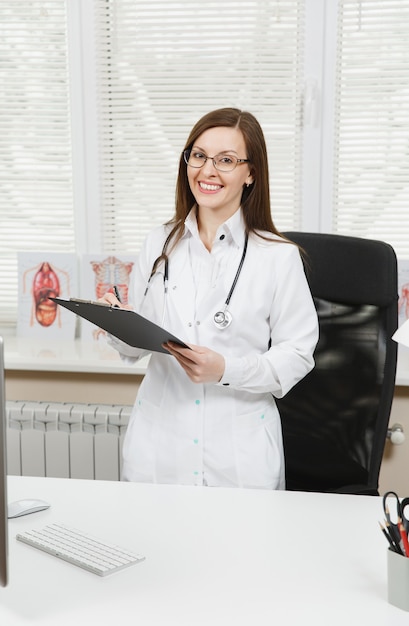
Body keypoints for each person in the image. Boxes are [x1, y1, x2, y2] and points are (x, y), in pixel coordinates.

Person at [101, 107, 319, 489]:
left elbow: (297, 355)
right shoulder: (159, 242)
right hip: (159, 446)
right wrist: (116, 323)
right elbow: (135, 347)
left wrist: (226, 370)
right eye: (198, 155)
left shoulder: (278, 257)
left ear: (251, 173)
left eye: (227, 160)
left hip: (238, 453)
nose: (208, 171)